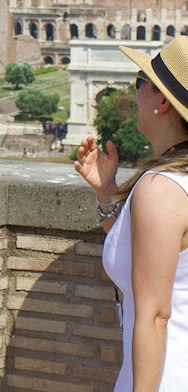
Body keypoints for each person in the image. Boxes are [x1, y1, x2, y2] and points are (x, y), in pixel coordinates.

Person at [74, 35, 188, 391]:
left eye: (142, 80)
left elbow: (154, 315)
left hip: (164, 374)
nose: (134, 90)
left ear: (163, 103)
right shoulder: (174, 182)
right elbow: (156, 257)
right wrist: (106, 194)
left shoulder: (160, 189)